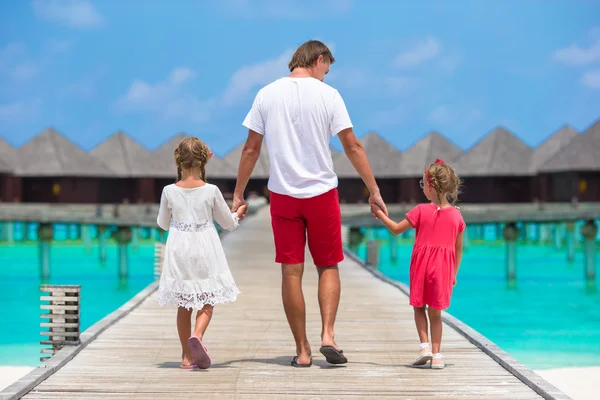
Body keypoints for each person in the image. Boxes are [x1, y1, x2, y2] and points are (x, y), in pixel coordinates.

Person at [232, 40, 388, 367]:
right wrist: (373, 189)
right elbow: (353, 146)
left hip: (284, 196)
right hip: (321, 195)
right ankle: (328, 336)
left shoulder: (266, 94)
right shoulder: (328, 96)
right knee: (328, 265)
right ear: (319, 60)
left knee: (291, 273)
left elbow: (250, 149)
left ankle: (302, 351)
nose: (325, 78)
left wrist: (238, 194)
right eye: (325, 71)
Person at [156, 137, 247, 370]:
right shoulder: (211, 190)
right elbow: (227, 223)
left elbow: (163, 224)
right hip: (205, 248)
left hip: (179, 249)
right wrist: (239, 214)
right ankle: (197, 334)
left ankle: (186, 357)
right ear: (204, 160)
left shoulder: (168, 191)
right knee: (207, 299)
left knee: (184, 304)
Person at [373, 159, 465, 369]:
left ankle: (424, 347)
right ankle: (437, 355)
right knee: (436, 314)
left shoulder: (420, 210)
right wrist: (454, 273)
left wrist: (379, 214)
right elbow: (458, 249)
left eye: (423, 184)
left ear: (431, 187)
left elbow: (396, 229)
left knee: (418, 308)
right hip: (443, 269)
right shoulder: (457, 216)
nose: (423, 188)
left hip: (421, 267)